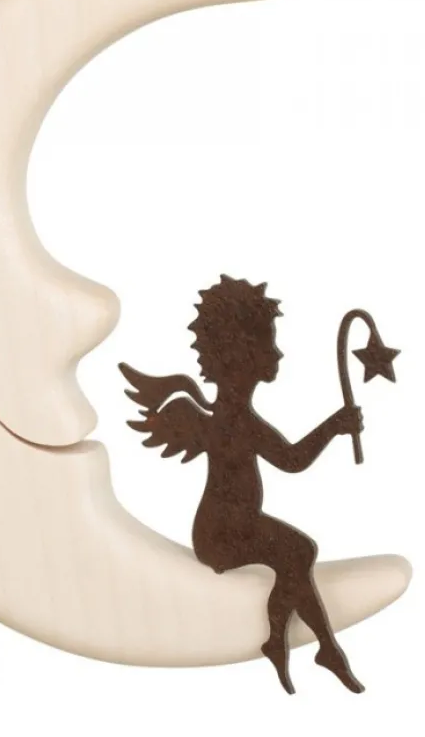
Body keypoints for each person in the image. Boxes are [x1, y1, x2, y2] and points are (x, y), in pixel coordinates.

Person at [120, 275, 365, 694]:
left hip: (236, 524)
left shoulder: (234, 416)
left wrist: (336, 426)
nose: (277, 353)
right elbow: (292, 461)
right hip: (223, 534)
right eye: (269, 343)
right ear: (240, 354)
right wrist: (335, 425)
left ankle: (292, 644)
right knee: (298, 552)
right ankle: (316, 647)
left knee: (296, 554)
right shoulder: (236, 421)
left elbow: (289, 459)